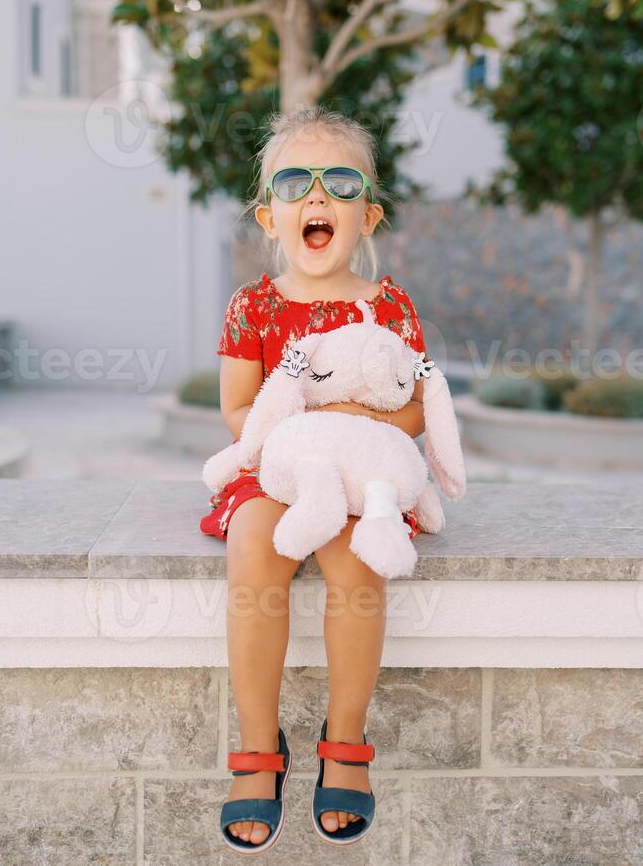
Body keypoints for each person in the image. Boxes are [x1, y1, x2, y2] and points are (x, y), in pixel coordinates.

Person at [201, 106, 431, 852]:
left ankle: (345, 737)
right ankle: (260, 748)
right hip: (276, 469)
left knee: (357, 558)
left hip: (362, 479)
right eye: (295, 182)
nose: (317, 197)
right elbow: (238, 408)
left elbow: (417, 412)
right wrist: (295, 439)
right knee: (253, 551)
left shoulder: (388, 308)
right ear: (270, 217)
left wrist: (348, 428)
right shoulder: (252, 307)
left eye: (338, 182)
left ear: (367, 216)